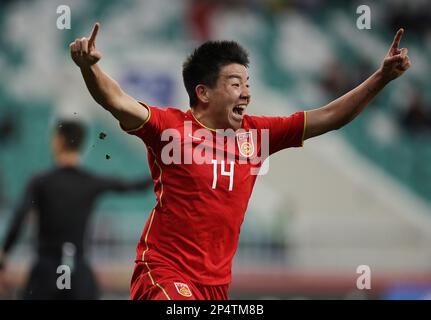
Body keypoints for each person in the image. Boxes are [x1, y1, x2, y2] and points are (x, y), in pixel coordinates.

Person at [68, 23, 410, 300]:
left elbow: (331, 116)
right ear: (203, 92)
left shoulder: (258, 135)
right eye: (235, 83)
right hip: (164, 273)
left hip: (215, 287)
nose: (246, 92)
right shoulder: (169, 128)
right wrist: (89, 67)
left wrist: (381, 78)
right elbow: (116, 100)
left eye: (247, 83)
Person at [0, 120, 152, 299]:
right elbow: (134, 186)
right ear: (81, 144)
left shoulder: (41, 182)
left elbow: (19, 219)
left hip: (46, 270)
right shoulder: (90, 181)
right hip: (77, 271)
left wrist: (5, 253)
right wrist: (163, 168)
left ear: (59, 140)